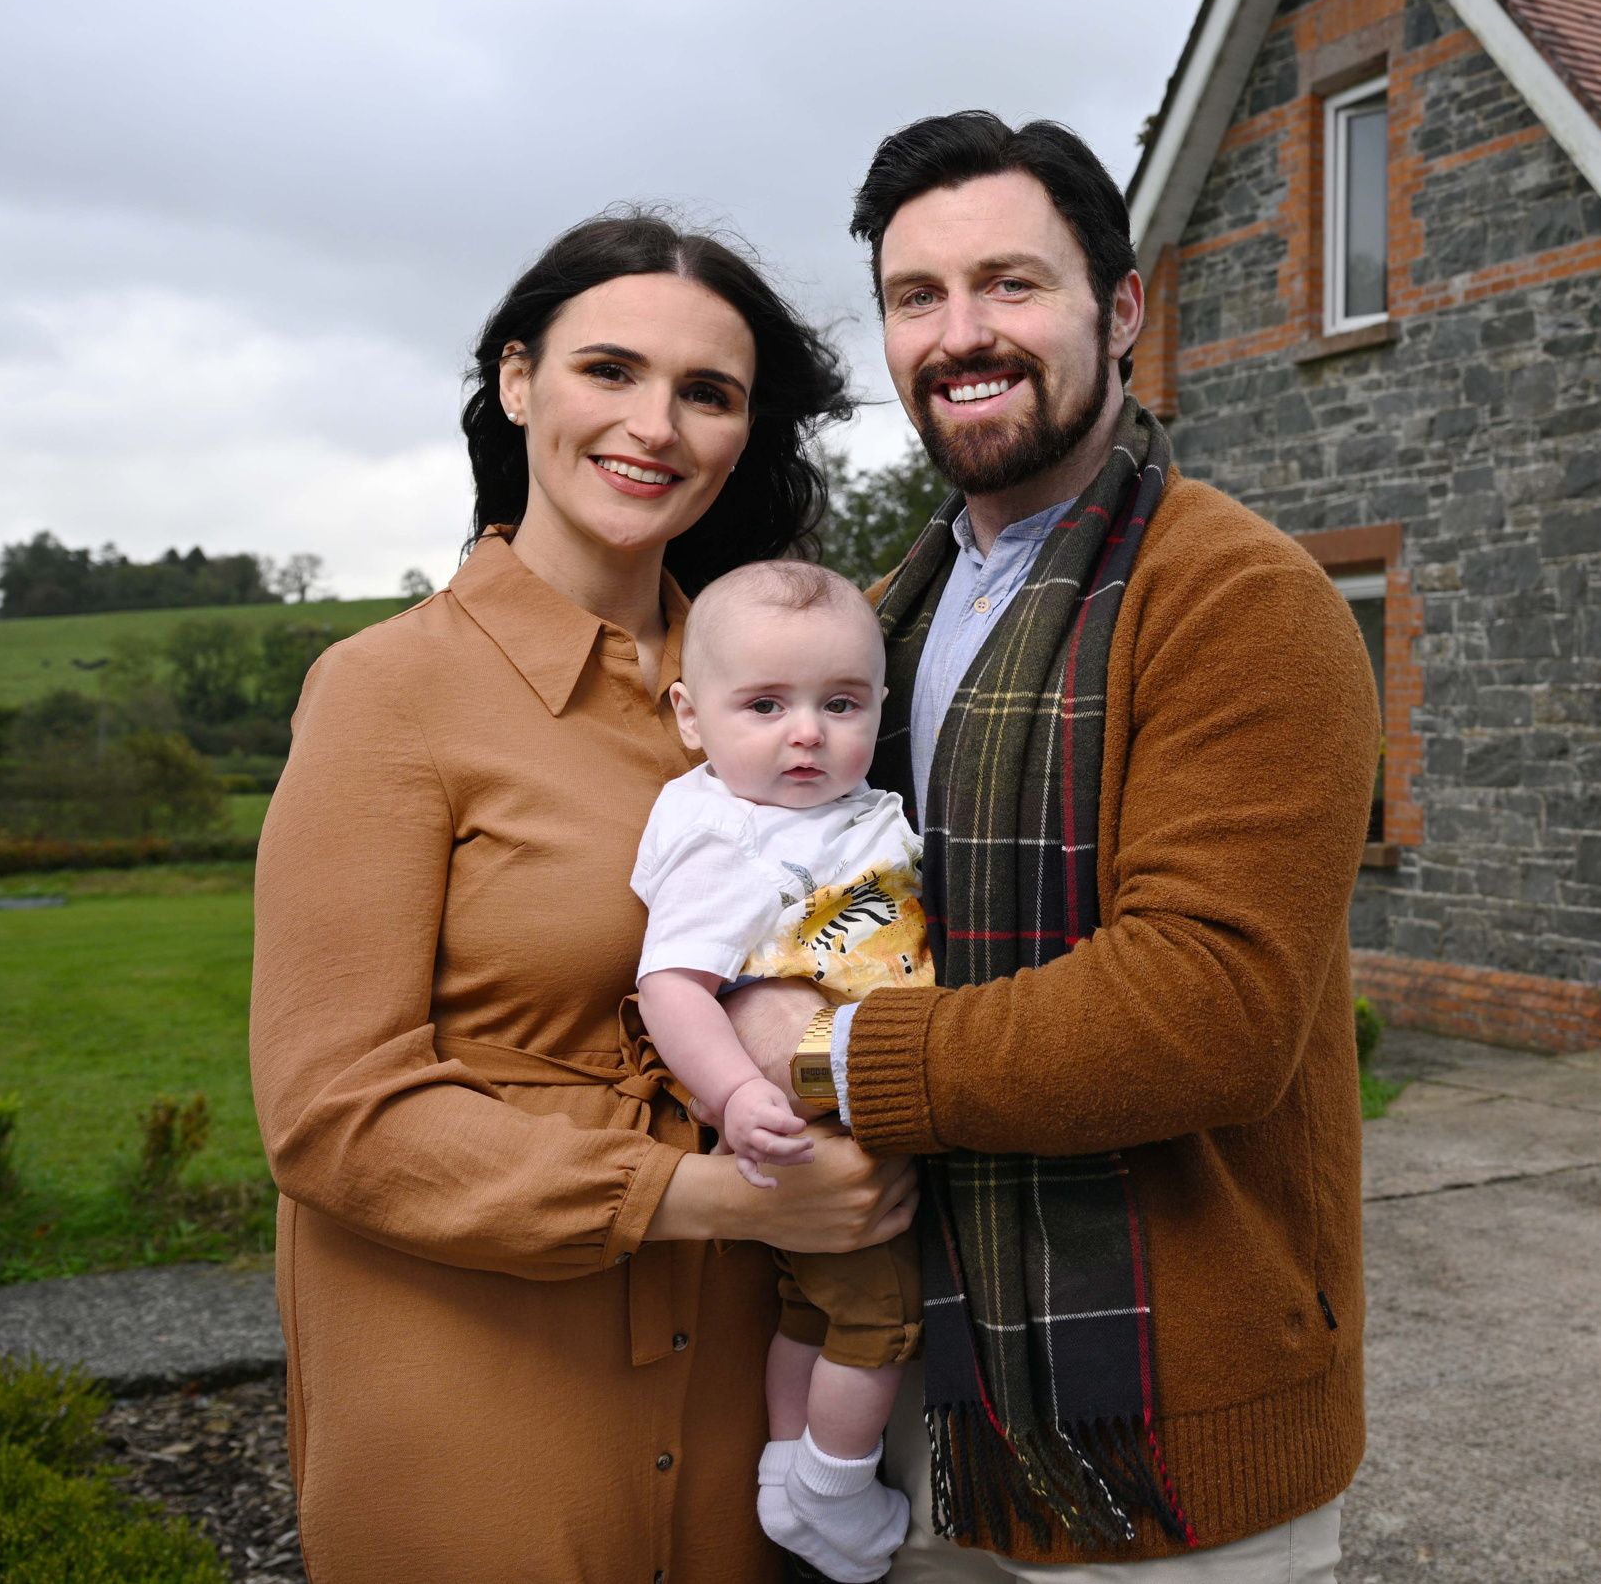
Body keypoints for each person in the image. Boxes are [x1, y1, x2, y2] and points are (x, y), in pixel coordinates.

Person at [724, 112, 1379, 1579]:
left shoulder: (1237, 597)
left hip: (1158, 1442)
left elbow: (1205, 1014)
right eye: (917, 296)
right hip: (922, 1407)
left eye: (1011, 284)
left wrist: (824, 1061)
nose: (962, 334)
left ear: (1123, 308)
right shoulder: (881, 617)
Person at [251, 214, 917, 1583]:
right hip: (477, 1373)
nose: (654, 424)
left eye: (707, 392)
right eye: (608, 369)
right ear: (516, 384)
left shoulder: (786, 687)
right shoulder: (389, 691)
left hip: (743, 1375)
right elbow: (333, 1113)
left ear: (743, 433)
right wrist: (717, 1198)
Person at [633, 558, 932, 1582]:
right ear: (690, 714)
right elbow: (671, 985)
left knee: (810, 1309)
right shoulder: (728, 835)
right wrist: (736, 1091)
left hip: (863, 1095)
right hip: (813, 1130)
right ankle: (833, 1491)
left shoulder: (823, 813)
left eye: (839, 703)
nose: (806, 731)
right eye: (764, 704)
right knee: (879, 1315)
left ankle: (783, 1467)